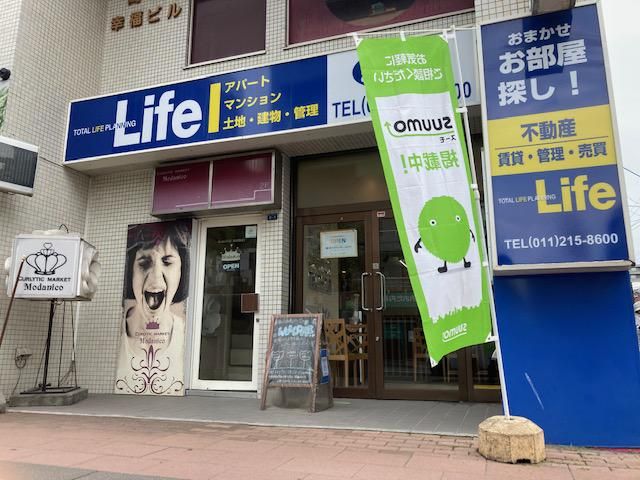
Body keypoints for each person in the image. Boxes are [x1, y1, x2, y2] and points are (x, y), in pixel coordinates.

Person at [115, 221, 191, 395]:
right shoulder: (121, 333)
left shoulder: (186, 334)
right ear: (131, 272)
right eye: (144, 263)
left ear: (182, 270)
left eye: (167, 262)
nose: (156, 278)